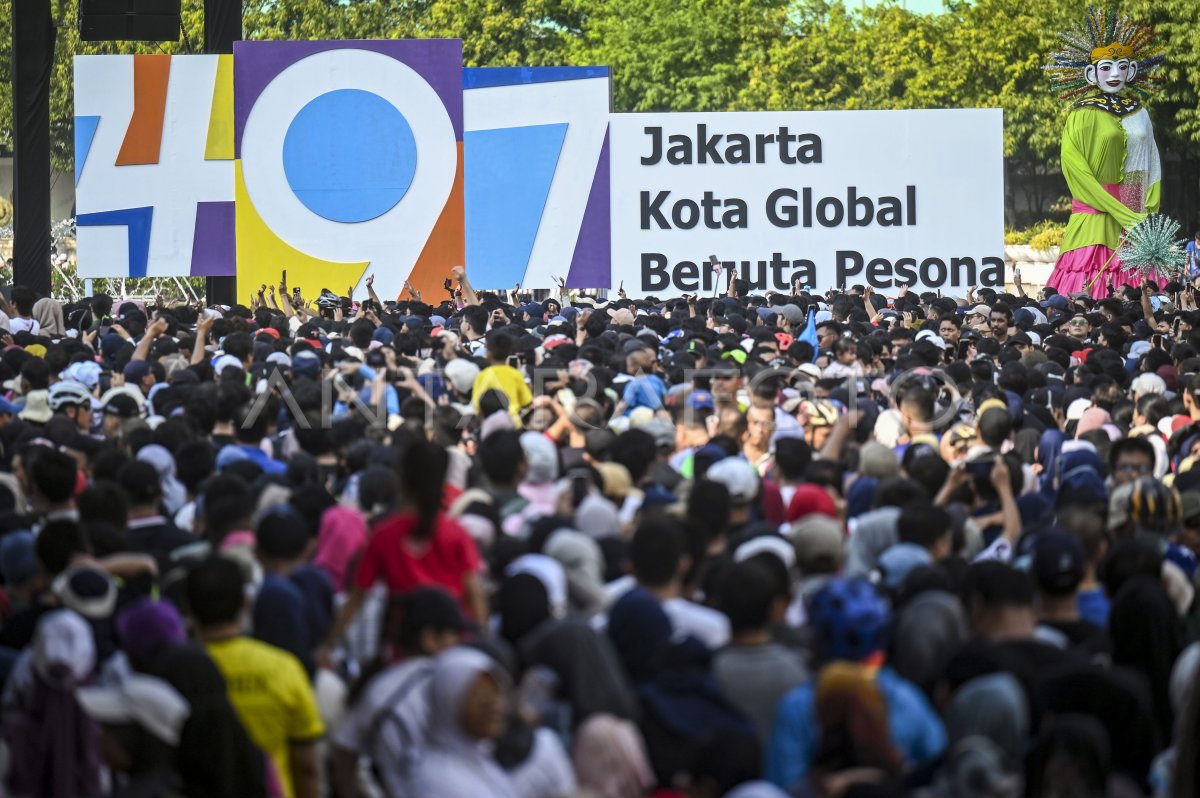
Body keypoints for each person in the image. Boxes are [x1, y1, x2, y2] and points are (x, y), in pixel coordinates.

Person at [1043, 8, 1165, 298]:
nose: (1114, 74)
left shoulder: (1139, 113)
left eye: (1121, 66)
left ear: (1131, 71)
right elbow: (1077, 172)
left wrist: (1145, 215)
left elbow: (1152, 166)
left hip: (1134, 215)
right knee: (1084, 289)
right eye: (1106, 67)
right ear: (1091, 73)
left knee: (1142, 295)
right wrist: (1123, 214)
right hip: (1095, 216)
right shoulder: (1082, 114)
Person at [187, 556, 325, 798]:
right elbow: (306, 767)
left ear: (188, 607)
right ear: (245, 602)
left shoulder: (179, 672)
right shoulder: (283, 668)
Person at [331, 587, 469, 798]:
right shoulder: (451, 684)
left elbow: (343, 757)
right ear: (430, 639)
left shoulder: (378, 687)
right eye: (454, 636)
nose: (459, 644)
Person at [407, 646, 517, 798]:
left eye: (496, 693)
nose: (496, 706)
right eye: (481, 696)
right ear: (448, 700)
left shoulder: (480, 759)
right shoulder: (437, 781)